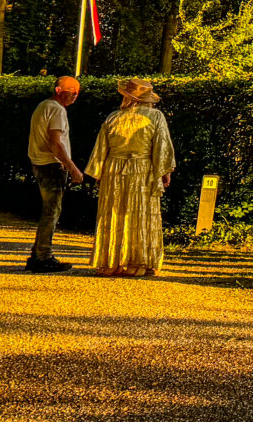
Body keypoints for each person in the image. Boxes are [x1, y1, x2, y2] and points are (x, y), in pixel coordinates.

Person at [86, 79, 176, 277]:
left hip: (114, 170)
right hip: (143, 169)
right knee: (141, 214)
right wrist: (164, 172)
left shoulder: (113, 117)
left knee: (113, 214)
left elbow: (100, 149)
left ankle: (111, 261)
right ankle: (139, 262)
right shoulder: (155, 117)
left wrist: (98, 173)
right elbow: (162, 147)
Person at [24, 76, 85, 273]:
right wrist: (72, 167)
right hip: (52, 166)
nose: (75, 97)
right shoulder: (58, 110)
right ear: (59, 91)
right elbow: (56, 142)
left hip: (39, 163)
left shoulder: (43, 106)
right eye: (72, 92)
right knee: (52, 212)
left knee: (49, 211)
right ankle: (44, 257)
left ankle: (37, 254)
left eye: (76, 93)